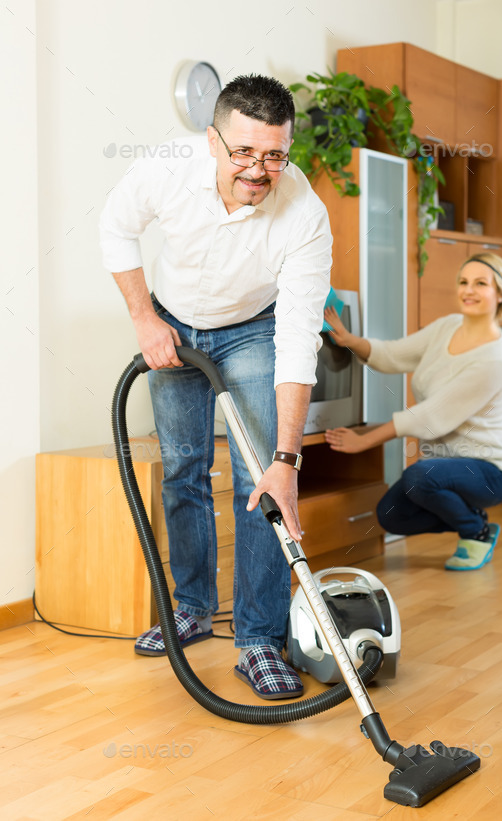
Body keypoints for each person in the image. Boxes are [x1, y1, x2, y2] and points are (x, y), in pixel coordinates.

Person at [99, 75, 331, 698]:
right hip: (172, 323)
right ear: (212, 139)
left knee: (263, 481)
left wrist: (288, 459)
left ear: (287, 149)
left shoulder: (304, 213)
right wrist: (146, 320)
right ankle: (193, 609)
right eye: (244, 153)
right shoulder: (169, 167)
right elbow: (116, 227)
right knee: (183, 469)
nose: (259, 170)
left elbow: (299, 337)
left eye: (274, 156)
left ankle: (258, 640)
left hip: (255, 330)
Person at [324, 252, 502, 571]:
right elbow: (394, 354)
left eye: (481, 283)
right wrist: (349, 340)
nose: (468, 290)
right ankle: (473, 519)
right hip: (446, 467)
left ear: (500, 295)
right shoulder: (448, 326)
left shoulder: (495, 360)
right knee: (391, 515)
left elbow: (430, 416)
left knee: (418, 476)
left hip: (490, 469)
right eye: (463, 282)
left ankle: (476, 532)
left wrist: (366, 439)